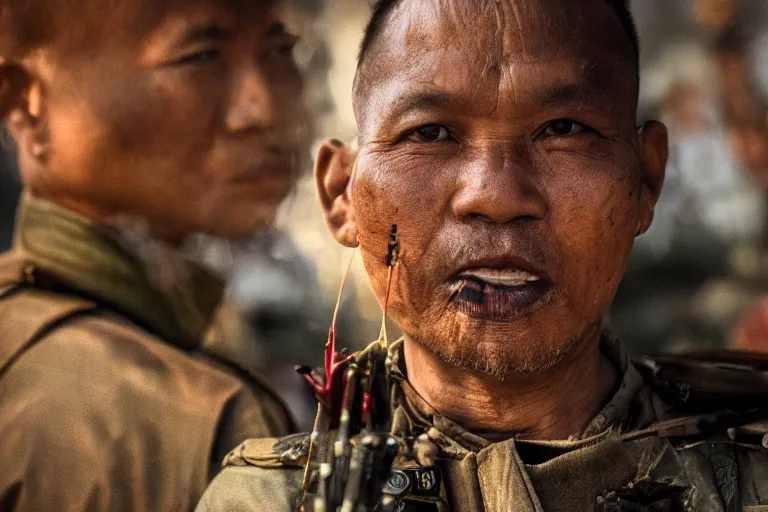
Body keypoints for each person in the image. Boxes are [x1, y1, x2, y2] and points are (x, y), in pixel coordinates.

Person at [197, 0, 768, 510]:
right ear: (342, 193)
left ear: (645, 177)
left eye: (562, 129)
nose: (496, 196)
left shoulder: (749, 477)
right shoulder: (273, 500)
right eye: (430, 133)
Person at [0, 0, 306, 510]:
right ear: (28, 103)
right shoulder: (203, 426)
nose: (263, 112)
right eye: (201, 58)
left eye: (279, 52)